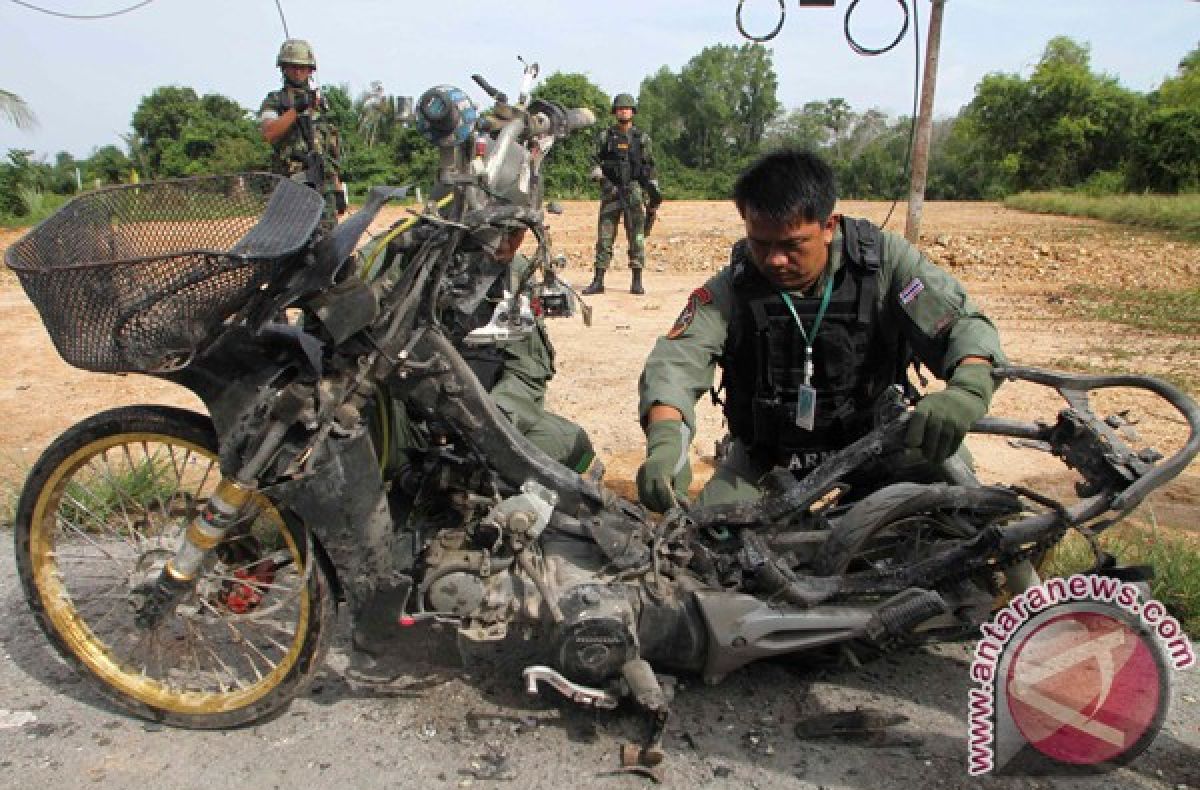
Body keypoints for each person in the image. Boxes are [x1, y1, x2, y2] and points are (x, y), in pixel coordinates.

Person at [635, 148, 1005, 511]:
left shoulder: (885, 263)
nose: (775, 260)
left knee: (954, 516)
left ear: (829, 226)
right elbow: (676, 362)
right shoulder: (734, 287)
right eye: (760, 244)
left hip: (879, 442)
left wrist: (966, 391)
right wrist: (667, 443)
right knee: (715, 543)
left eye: (792, 245)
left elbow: (961, 324)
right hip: (769, 460)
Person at [366, 223, 598, 479]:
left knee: (572, 443)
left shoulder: (515, 275)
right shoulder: (402, 257)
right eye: (497, 230)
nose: (506, 245)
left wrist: (491, 423)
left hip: (484, 424)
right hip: (404, 422)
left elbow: (527, 370)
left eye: (516, 233)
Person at [258, 39, 346, 232]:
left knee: (329, 246)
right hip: (292, 189)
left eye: (303, 67)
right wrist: (296, 109)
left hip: (324, 190)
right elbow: (269, 133)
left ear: (311, 70)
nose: (298, 72)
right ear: (283, 69)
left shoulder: (321, 104)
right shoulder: (275, 101)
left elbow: (330, 149)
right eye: (292, 67)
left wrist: (338, 188)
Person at [582, 93, 663, 296]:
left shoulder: (642, 138)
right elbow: (592, 161)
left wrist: (653, 193)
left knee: (637, 237)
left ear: (633, 112)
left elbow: (650, 166)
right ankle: (598, 281)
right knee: (604, 238)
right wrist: (602, 180)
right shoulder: (605, 136)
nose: (623, 111)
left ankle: (637, 281)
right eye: (620, 108)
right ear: (615, 112)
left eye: (627, 108)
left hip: (634, 192)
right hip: (611, 192)